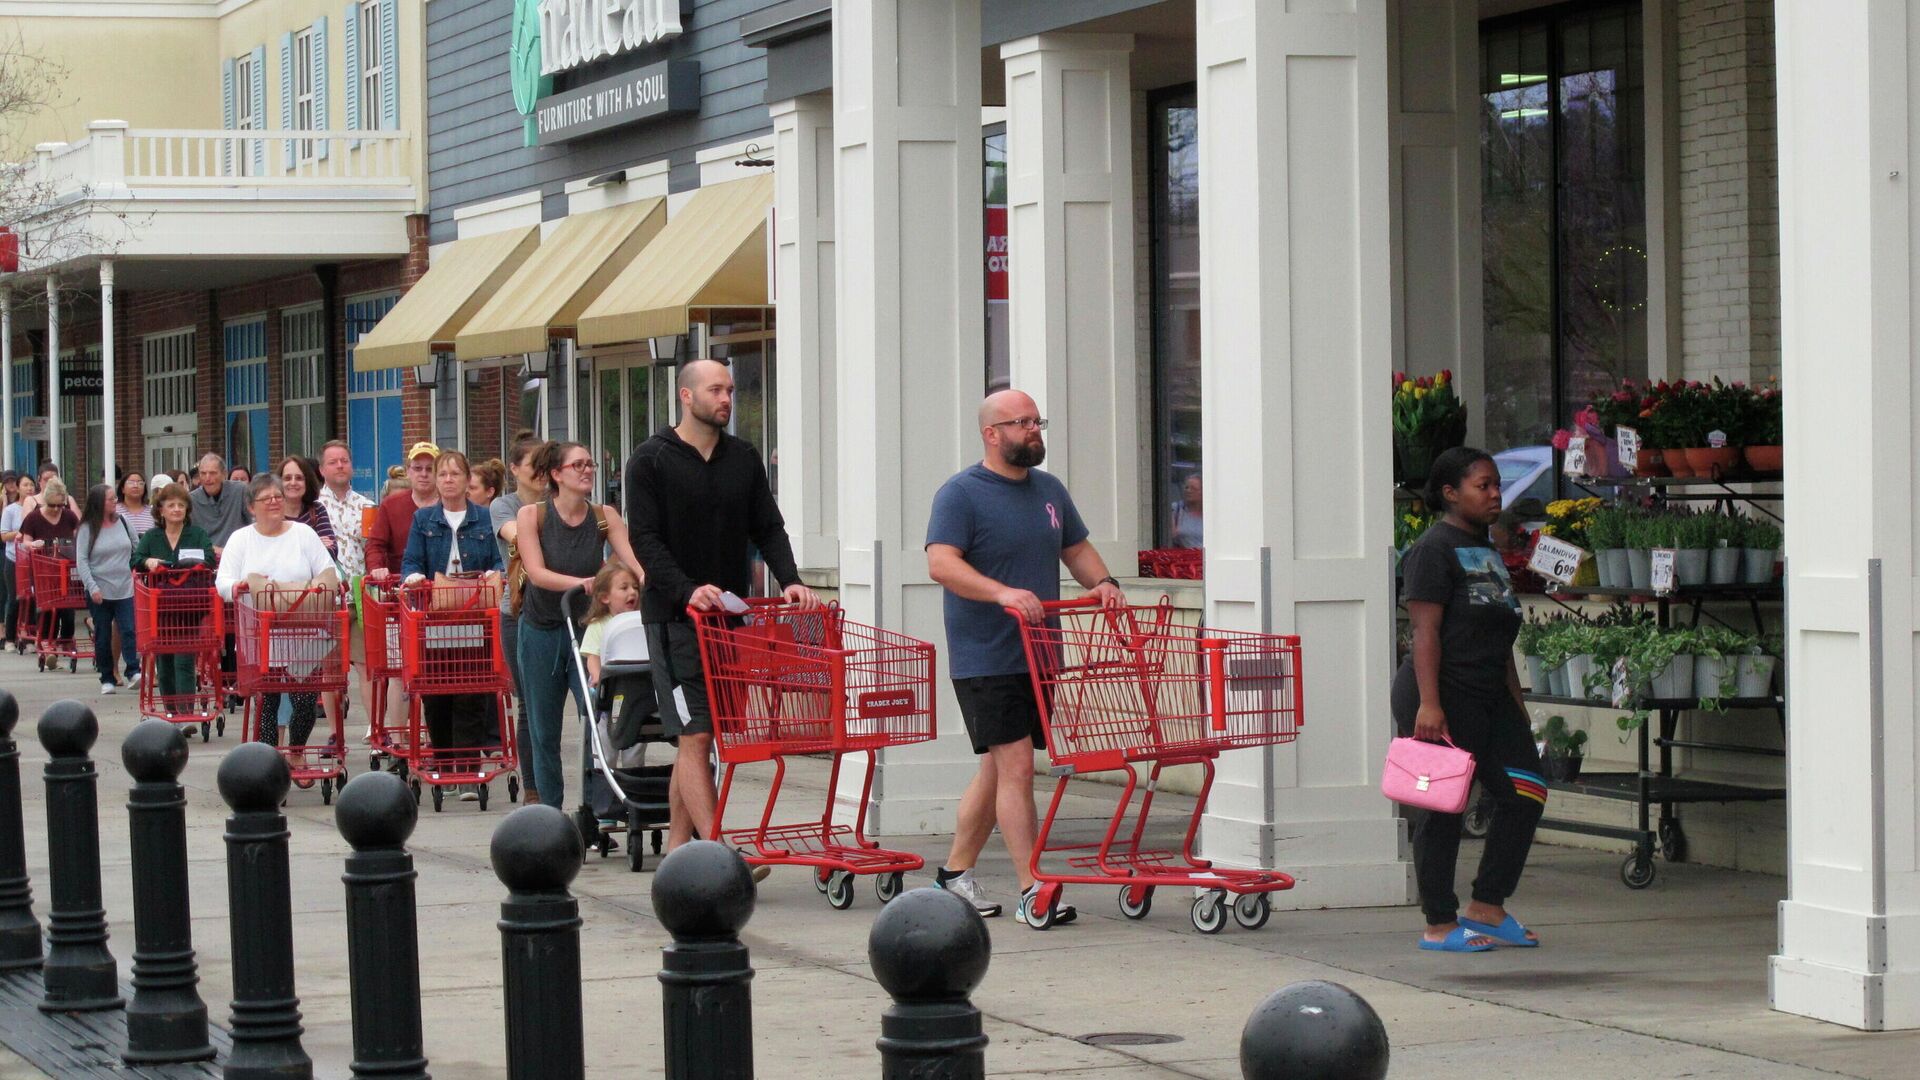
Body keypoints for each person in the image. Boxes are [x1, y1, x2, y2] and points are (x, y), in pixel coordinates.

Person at [924, 389, 1126, 924]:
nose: (1034, 431)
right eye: (1022, 423)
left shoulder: (1049, 490)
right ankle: (1032, 887)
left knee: (998, 768)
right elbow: (941, 564)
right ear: (992, 434)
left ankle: (953, 876)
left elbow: (1076, 547)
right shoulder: (961, 494)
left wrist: (1102, 582)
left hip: (1040, 652)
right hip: (986, 652)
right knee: (1015, 767)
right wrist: (1002, 593)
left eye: (1038, 421)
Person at [625, 358, 814, 858]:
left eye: (730, 389)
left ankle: (680, 851)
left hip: (731, 619)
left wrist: (791, 580)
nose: (726, 398)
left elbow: (768, 527)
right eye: (716, 390)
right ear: (686, 397)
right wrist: (687, 591)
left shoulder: (743, 459)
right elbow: (644, 540)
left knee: (706, 741)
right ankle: (718, 853)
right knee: (696, 733)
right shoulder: (650, 460)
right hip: (674, 618)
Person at [1394, 446, 1545, 953]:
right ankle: (1439, 922)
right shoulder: (1432, 550)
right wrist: (1429, 705)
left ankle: (1487, 905)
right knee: (1444, 805)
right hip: (1440, 693)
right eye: (1483, 485)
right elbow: (1425, 631)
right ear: (1450, 493)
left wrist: (1516, 702)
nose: (1495, 493)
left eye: (1497, 484)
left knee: (1526, 791)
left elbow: (1498, 632)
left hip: (1490, 694)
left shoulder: (1486, 549)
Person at [517, 440, 644, 812]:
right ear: (556, 474)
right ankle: (550, 814)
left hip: (588, 632)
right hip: (541, 630)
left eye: (590, 464)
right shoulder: (533, 516)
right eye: (578, 465)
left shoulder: (604, 516)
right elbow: (536, 573)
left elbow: (634, 561)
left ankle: (596, 809)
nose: (587, 470)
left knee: (597, 717)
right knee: (544, 729)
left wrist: (650, 580)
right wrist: (583, 583)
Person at [400, 449, 504, 800]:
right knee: (437, 694)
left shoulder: (485, 518)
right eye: (442, 474)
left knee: (471, 692)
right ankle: (445, 763)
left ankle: (467, 769)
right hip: (435, 618)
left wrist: (494, 574)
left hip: (474, 618)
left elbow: (498, 561)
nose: (447, 480)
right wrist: (414, 578)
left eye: (454, 474)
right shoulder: (424, 520)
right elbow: (412, 560)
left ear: (466, 480)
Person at [216, 476, 339, 757]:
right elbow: (223, 580)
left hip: (305, 632)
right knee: (267, 700)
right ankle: (267, 760)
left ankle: (296, 752)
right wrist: (237, 587)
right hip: (261, 633)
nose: (274, 502)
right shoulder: (241, 539)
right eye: (266, 498)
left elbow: (326, 570)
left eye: (278, 496)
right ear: (251, 507)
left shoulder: (303, 534)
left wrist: (321, 586)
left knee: (305, 700)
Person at [368, 443, 443, 734]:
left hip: (441, 601)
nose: (424, 475)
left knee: (435, 669)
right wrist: (377, 566)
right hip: (399, 599)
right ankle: (398, 738)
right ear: (408, 471)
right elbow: (375, 544)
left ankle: (430, 736)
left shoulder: (448, 505)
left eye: (430, 469)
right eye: (418, 468)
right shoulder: (392, 505)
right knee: (399, 670)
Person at [492, 433, 545, 804]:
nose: (543, 474)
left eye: (547, 466)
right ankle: (532, 788)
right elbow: (518, 537)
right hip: (519, 609)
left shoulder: (562, 502)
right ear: (514, 469)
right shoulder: (503, 506)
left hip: (561, 608)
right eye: (534, 466)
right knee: (529, 702)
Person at [133, 483, 217, 709]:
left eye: (181, 505)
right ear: (161, 510)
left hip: (189, 605)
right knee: (164, 658)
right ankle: (171, 710)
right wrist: (147, 561)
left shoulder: (196, 534)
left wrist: (193, 563)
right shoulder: (152, 537)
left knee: (184, 658)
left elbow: (209, 558)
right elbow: (135, 559)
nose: (177, 509)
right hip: (160, 608)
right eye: (171, 505)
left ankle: (185, 710)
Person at [316, 440, 377, 735]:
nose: (340, 466)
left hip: (362, 596)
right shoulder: (314, 509)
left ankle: (374, 727)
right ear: (322, 469)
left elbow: (374, 548)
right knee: (331, 671)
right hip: (329, 598)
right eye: (333, 462)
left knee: (367, 666)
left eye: (344, 460)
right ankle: (335, 732)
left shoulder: (367, 506)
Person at [75, 484, 141, 696]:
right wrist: (92, 587)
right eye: (110, 499)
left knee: (129, 629)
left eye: (115, 498)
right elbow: (82, 560)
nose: (115, 502)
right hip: (99, 590)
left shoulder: (123, 521)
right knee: (103, 634)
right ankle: (107, 677)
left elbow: (135, 546)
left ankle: (133, 670)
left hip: (124, 587)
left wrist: (134, 570)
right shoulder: (87, 528)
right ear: (98, 503)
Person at [18, 478, 80, 648]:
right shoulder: (34, 518)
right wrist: (33, 544)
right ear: (45, 500)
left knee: (67, 608)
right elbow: (25, 541)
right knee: (46, 608)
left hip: (64, 569)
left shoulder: (69, 516)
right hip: (42, 570)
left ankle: (66, 639)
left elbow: (79, 536)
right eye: (52, 505)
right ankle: (47, 641)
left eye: (60, 505)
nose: (56, 509)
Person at [578, 562, 640, 688]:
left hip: (641, 677)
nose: (633, 592)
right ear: (605, 597)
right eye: (624, 588)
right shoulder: (599, 624)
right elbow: (593, 657)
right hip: (611, 682)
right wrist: (598, 677)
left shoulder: (640, 620)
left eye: (635, 587)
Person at [190, 453, 252, 557]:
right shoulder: (191, 500)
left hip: (239, 555)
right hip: (206, 559)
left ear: (224, 474)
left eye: (213, 473)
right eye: (203, 473)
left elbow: (254, 524)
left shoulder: (240, 491)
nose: (207, 478)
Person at [278, 456, 337, 558]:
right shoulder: (272, 512)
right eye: (287, 478)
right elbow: (272, 553)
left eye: (299, 478)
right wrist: (315, 544)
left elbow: (331, 551)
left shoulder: (317, 510)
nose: (293, 483)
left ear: (307, 482)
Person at [0, 474, 29, 646]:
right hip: (13, 557)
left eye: (31, 484)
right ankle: (10, 636)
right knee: (13, 597)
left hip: (32, 558)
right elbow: (4, 535)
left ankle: (28, 634)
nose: (29, 488)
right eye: (25, 485)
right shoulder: (11, 510)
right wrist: (20, 534)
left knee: (31, 599)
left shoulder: (37, 507)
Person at [117, 472, 155, 539]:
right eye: (131, 482)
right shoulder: (115, 510)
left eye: (140, 483)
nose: (135, 486)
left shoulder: (152, 511)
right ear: (122, 489)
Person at [1170, 474, 1203, 549]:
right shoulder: (1176, 509)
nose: (1188, 491)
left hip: (1207, 558)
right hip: (1185, 557)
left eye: (1193, 488)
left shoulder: (1211, 512)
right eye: (1186, 487)